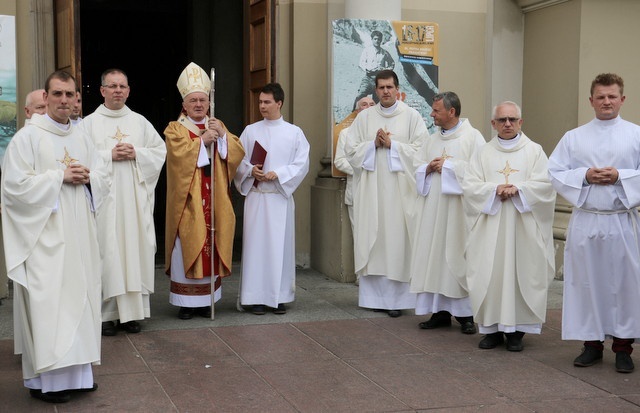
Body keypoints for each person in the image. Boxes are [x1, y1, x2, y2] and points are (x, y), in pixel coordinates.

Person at [2, 70, 107, 403]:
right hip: (45, 239)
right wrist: (58, 176)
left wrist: (91, 179)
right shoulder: (27, 138)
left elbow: (102, 176)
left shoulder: (82, 136)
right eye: (58, 94)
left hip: (79, 236)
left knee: (82, 298)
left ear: (77, 99)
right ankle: (49, 382)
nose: (65, 101)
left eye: (70, 95)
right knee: (52, 306)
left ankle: (79, 375)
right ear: (45, 98)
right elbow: (14, 188)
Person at [548, 73, 640, 373]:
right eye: (600, 97)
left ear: (622, 99)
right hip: (587, 221)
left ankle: (624, 348)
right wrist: (584, 176)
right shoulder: (574, 137)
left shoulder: (635, 135)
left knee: (624, 286)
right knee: (588, 283)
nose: (607, 102)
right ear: (591, 101)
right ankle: (591, 345)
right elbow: (555, 171)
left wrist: (621, 177)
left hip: (620, 221)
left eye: (612, 96)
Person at [461, 101, 555, 351]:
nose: (508, 124)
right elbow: (469, 186)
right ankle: (491, 330)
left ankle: (517, 332)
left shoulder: (534, 151)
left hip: (522, 227)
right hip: (490, 227)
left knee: (521, 273)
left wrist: (519, 190)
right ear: (493, 124)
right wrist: (494, 190)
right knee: (490, 274)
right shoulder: (482, 152)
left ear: (521, 122)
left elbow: (546, 185)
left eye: (512, 119)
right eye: (502, 120)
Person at [83, 68, 166, 335]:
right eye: (112, 86)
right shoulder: (88, 124)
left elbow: (159, 152)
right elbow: (79, 159)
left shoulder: (140, 122)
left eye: (122, 86)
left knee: (133, 250)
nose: (118, 90)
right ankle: (106, 315)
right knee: (106, 251)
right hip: (104, 204)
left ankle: (132, 314)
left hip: (133, 202)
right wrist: (108, 156)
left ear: (129, 91)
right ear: (102, 90)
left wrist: (137, 153)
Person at [165, 62, 244, 319]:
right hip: (188, 200)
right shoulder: (175, 128)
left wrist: (221, 137)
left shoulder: (216, 124)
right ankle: (186, 303)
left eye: (202, 100)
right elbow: (176, 157)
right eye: (193, 101)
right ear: (184, 105)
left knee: (212, 242)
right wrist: (201, 143)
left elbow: (236, 151)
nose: (199, 105)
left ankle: (206, 301)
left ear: (208, 103)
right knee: (187, 243)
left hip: (214, 195)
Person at [345, 69, 427, 317]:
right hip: (371, 192)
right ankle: (373, 298)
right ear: (376, 90)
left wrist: (393, 146)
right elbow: (351, 151)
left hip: (401, 193)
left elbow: (422, 151)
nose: (385, 92)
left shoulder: (412, 116)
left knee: (397, 242)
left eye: (389, 87)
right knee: (374, 238)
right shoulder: (365, 117)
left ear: (397, 88)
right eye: (381, 88)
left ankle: (396, 301)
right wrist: (373, 145)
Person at [410, 92, 485, 334]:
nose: (432, 114)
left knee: (457, 257)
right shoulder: (431, 140)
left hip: (459, 211)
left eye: (436, 111)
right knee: (436, 258)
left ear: (451, 112)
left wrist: (450, 167)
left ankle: (465, 315)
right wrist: (427, 168)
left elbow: (480, 172)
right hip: (434, 209)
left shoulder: (473, 138)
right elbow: (416, 167)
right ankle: (440, 312)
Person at [234, 82, 310, 315]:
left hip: (278, 197)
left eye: (267, 102)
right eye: (260, 102)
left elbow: (302, 163)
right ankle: (255, 297)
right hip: (257, 197)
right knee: (256, 249)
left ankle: (278, 297)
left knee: (280, 248)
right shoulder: (250, 131)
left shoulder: (294, 132)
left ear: (279, 103)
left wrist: (280, 174)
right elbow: (239, 161)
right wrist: (250, 171)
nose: (262, 106)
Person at [334, 96, 375, 230]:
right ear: (357, 111)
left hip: (377, 190)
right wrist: (362, 169)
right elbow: (340, 161)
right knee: (359, 232)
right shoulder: (346, 134)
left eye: (371, 104)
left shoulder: (381, 133)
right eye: (364, 104)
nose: (368, 107)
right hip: (356, 189)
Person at [352, 30, 395, 110]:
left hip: (379, 81)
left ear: (381, 40)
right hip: (368, 78)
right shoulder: (367, 51)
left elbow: (392, 63)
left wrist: (385, 70)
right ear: (372, 39)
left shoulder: (384, 53)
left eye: (379, 39)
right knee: (361, 95)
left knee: (378, 101)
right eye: (375, 39)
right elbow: (361, 63)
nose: (377, 41)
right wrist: (367, 69)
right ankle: (353, 113)